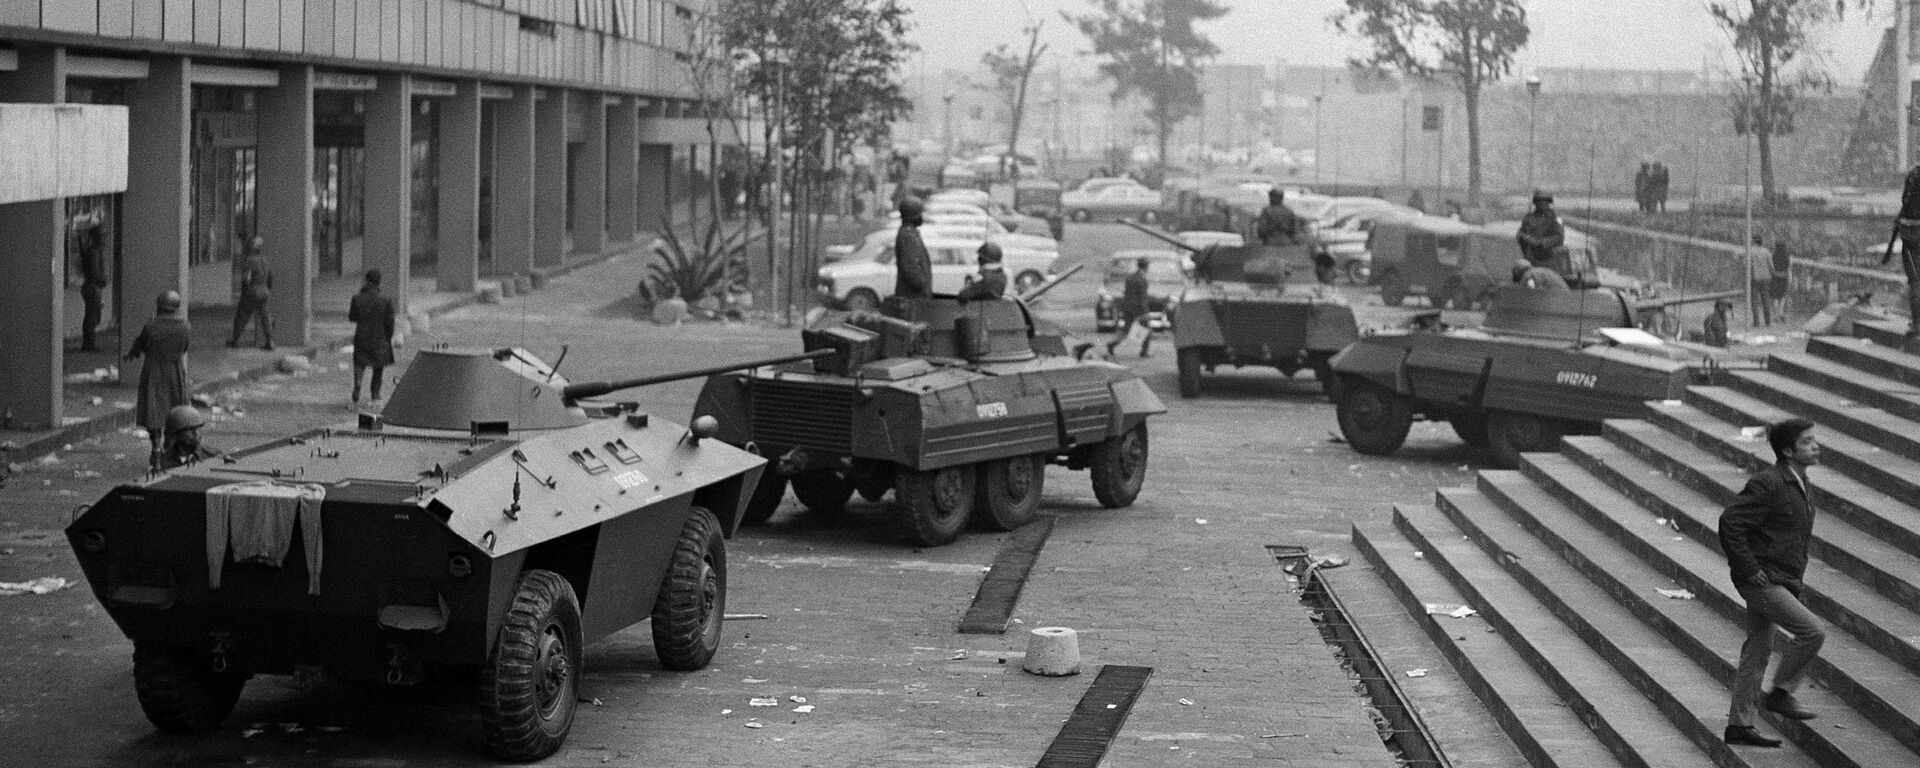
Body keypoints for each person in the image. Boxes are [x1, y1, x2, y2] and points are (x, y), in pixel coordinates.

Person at [1719, 418, 1826, 748]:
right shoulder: (1769, 483)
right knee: (1812, 631)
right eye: (1807, 442)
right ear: (1788, 451)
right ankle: (1781, 692)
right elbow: (1730, 522)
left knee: (1757, 651)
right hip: (1762, 580)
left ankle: (1739, 725)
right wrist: (1749, 568)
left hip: (1782, 578)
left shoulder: (1800, 482)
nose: (1816, 446)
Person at [125, 290, 193, 468]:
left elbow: (142, 343)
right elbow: (184, 347)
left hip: (153, 370)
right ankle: (169, 447)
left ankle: (156, 446)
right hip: (175, 371)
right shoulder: (185, 326)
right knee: (175, 411)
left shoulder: (151, 325)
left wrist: (133, 353)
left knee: (153, 411)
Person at [349, 269, 398, 404]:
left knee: (359, 362)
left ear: (366, 281)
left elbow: (352, 317)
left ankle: (358, 383)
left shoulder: (357, 298)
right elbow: (390, 322)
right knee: (378, 366)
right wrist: (388, 337)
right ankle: (375, 392)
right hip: (380, 337)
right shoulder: (386, 300)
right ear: (379, 282)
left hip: (362, 336)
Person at [1890, 163, 1920, 345]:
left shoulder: (1913, 174)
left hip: (1909, 232)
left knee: (1915, 280)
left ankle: (1917, 323)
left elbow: (1905, 203)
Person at [227, 236, 274, 350]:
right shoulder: (265, 260)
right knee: (265, 317)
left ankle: (235, 340)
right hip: (264, 291)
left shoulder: (249, 260)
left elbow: (246, 279)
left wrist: (244, 292)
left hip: (253, 290)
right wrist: (267, 289)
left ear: (251, 248)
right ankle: (270, 341)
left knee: (241, 316)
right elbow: (271, 277)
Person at [1105, 257, 1154, 358]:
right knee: (1147, 329)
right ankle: (1144, 352)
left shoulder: (1130, 277)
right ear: (1145, 266)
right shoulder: (1142, 279)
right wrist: (1145, 311)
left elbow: (1127, 294)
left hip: (1128, 308)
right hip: (1139, 309)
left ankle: (1112, 344)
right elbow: (1142, 297)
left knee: (1125, 330)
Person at [74, 212, 108, 353]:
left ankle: (88, 343)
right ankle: (89, 344)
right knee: (93, 317)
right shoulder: (95, 251)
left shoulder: (90, 249)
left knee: (90, 316)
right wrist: (102, 281)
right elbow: (95, 271)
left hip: (89, 285)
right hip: (93, 285)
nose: (104, 239)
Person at [155, 404, 220, 470]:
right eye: (190, 429)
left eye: (198, 427)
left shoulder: (213, 457)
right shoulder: (162, 462)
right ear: (176, 433)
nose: (196, 433)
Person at [893, 196, 933, 300]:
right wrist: (922, 286)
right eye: (920, 214)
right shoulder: (908, 235)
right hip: (912, 298)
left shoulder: (910, 233)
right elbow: (911, 266)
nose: (922, 217)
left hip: (914, 296)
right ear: (913, 216)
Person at [1516, 191, 1565, 267]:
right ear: (1535, 203)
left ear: (1549, 203)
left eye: (1544, 201)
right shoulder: (1528, 218)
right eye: (1538, 201)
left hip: (1550, 258)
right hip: (1531, 257)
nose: (1541, 203)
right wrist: (1526, 238)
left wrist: (1540, 242)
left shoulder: (1555, 218)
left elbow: (1559, 237)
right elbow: (1520, 234)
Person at [1746, 235, 1774, 327]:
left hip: (1754, 278)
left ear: (1754, 241)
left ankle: (1756, 322)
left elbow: (1747, 265)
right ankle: (1768, 321)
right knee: (1765, 299)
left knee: (1754, 300)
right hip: (1766, 278)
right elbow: (1771, 266)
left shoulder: (1750, 251)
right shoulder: (1766, 252)